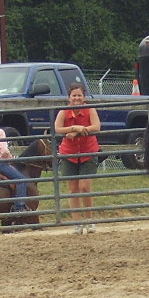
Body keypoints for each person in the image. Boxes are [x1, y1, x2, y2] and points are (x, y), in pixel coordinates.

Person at [55, 84, 101, 234]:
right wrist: (75, 128)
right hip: (69, 153)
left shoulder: (90, 109)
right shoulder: (64, 111)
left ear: (84, 97)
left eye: (79, 95)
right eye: (74, 95)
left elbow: (97, 126)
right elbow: (57, 128)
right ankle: (77, 223)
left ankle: (89, 220)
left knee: (84, 187)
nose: (76, 98)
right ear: (69, 97)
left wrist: (79, 131)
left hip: (88, 151)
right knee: (73, 189)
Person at [0, 107, 30, 212]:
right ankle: (19, 207)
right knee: (21, 180)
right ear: (0, 118)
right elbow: (4, 150)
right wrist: (11, 157)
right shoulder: (0, 132)